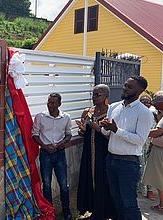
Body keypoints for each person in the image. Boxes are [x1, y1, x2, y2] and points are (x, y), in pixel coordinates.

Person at [100, 76, 153, 220]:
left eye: (130, 87)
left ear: (140, 90)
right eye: (125, 85)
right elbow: (106, 133)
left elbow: (140, 140)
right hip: (111, 160)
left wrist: (117, 130)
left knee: (128, 203)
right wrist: (105, 127)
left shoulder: (144, 112)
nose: (125, 88)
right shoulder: (114, 107)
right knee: (116, 199)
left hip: (128, 163)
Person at [75, 84, 116, 219]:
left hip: (104, 152)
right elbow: (83, 133)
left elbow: (112, 134)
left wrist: (96, 127)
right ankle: (91, 208)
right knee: (89, 178)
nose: (94, 98)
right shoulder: (88, 112)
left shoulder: (111, 112)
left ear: (106, 97)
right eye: (93, 94)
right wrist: (83, 130)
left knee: (103, 181)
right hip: (88, 152)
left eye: (98, 95)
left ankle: (104, 211)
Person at [32, 93, 72, 220]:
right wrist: (44, 146)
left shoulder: (66, 117)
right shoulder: (40, 117)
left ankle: (66, 210)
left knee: (64, 184)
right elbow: (34, 134)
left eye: (53, 103)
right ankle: (49, 211)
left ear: (59, 104)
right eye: (49, 102)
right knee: (47, 184)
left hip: (60, 154)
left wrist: (63, 143)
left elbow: (68, 134)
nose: (50, 105)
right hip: (45, 154)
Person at [143, 93, 163, 214]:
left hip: (160, 150)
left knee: (160, 179)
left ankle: (162, 205)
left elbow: (157, 132)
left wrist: (141, 132)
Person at [139, 94, 156, 200]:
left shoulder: (153, 114)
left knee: (150, 169)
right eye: (143, 102)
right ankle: (143, 189)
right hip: (139, 145)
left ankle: (150, 190)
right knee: (141, 167)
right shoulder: (138, 114)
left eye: (148, 102)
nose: (146, 104)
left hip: (150, 144)